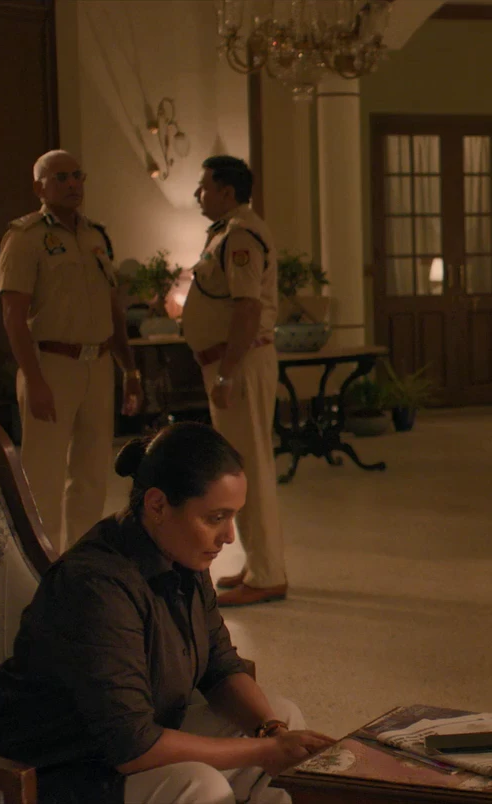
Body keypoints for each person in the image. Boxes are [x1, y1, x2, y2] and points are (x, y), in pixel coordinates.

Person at [0, 423, 333, 804]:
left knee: (283, 716)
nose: (229, 536)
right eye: (215, 518)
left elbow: (220, 668)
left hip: (115, 750)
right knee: (199, 786)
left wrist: (272, 732)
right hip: (42, 773)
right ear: (157, 505)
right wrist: (263, 751)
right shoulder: (96, 585)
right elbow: (132, 745)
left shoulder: (185, 555)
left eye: (233, 516)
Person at [0, 149, 143, 553]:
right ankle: (43, 564)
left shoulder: (95, 236)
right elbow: (13, 316)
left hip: (98, 365)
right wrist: (35, 379)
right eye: (60, 177)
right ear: (39, 188)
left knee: (92, 473)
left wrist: (130, 371)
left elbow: (113, 308)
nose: (72, 184)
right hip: (51, 365)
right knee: (43, 475)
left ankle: (81, 561)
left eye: (77, 176)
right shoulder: (24, 237)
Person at [182, 155, 288, 606]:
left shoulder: (240, 235)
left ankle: (267, 575)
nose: (198, 194)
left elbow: (247, 309)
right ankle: (258, 562)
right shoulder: (227, 232)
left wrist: (227, 372)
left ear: (226, 191)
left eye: (204, 186)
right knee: (240, 467)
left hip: (240, 364)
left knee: (249, 470)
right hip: (232, 362)